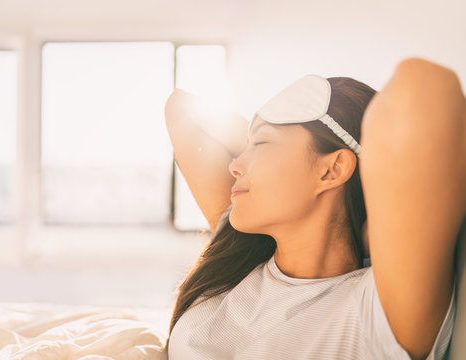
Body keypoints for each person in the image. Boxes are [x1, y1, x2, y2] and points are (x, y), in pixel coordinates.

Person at [163, 58, 466, 360]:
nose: (234, 165)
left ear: (332, 170)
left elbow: (423, 84)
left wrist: (373, 226)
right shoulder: (239, 253)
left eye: (262, 145)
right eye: (246, 147)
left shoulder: (373, 313)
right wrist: (264, 128)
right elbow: (181, 109)